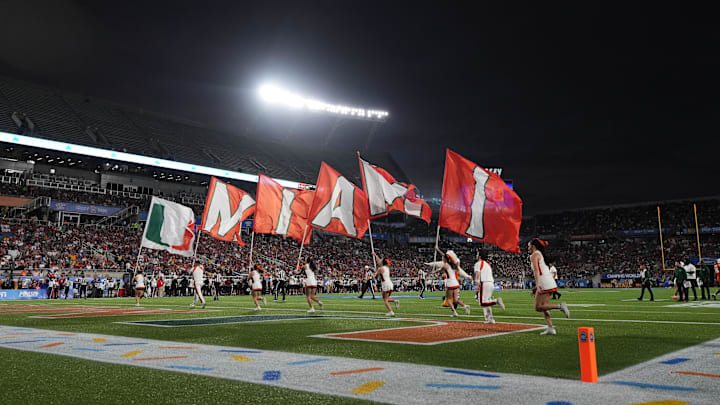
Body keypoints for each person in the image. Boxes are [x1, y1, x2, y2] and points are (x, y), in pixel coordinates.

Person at [528, 239, 570, 335]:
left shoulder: (534, 255)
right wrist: (537, 285)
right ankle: (550, 328)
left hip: (544, 282)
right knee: (544, 307)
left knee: (538, 307)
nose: (528, 248)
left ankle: (560, 306)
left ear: (533, 246)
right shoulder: (540, 254)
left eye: (529, 246)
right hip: (549, 281)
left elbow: (536, 271)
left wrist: (537, 285)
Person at [433, 246, 471, 317]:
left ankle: (454, 312)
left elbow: (439, 270)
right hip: (456, 283)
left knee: (448, 299)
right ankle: (465, 306)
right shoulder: (454, 265)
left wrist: (433, 272)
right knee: (456, 300)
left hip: (450, 283)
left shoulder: (445, 265)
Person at [474, 251, 505, 324]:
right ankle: (490, 318)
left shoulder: (478, 263)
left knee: (482, 302)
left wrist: (477, 284)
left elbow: (478, 274)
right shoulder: (487, 264)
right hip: (490, 283)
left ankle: (496, 301)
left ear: (479, 256)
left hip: (484, 282)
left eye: (477, 254)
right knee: (487, 301)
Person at [372, 251, 399, 316]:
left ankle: (391, 312)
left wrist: (375, 273)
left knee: (385, 300)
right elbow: (379, 262)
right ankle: (395, 301)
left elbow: (376, 277)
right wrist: (375, 255)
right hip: (389, 283)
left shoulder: (380, 268)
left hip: (385, 284)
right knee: (385, 298)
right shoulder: (387, 268)